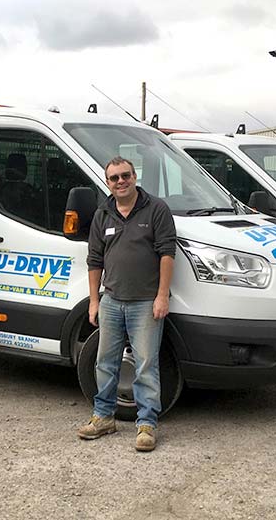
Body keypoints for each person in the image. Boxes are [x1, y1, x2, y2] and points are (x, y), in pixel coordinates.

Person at [77, 156, 176, 451]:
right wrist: (95, 300)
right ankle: (103, 417)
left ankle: (146, 424)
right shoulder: (102, 214)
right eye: (114, 178)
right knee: (105, 363)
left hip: (146, 303)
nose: (120, 182)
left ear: (135, 177)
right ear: (108, 182)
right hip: (111, 300)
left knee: (146, 365)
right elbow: (94, 260)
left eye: (125, 176)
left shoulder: (156, 209)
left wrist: (162, 295)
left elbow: (167, 254)